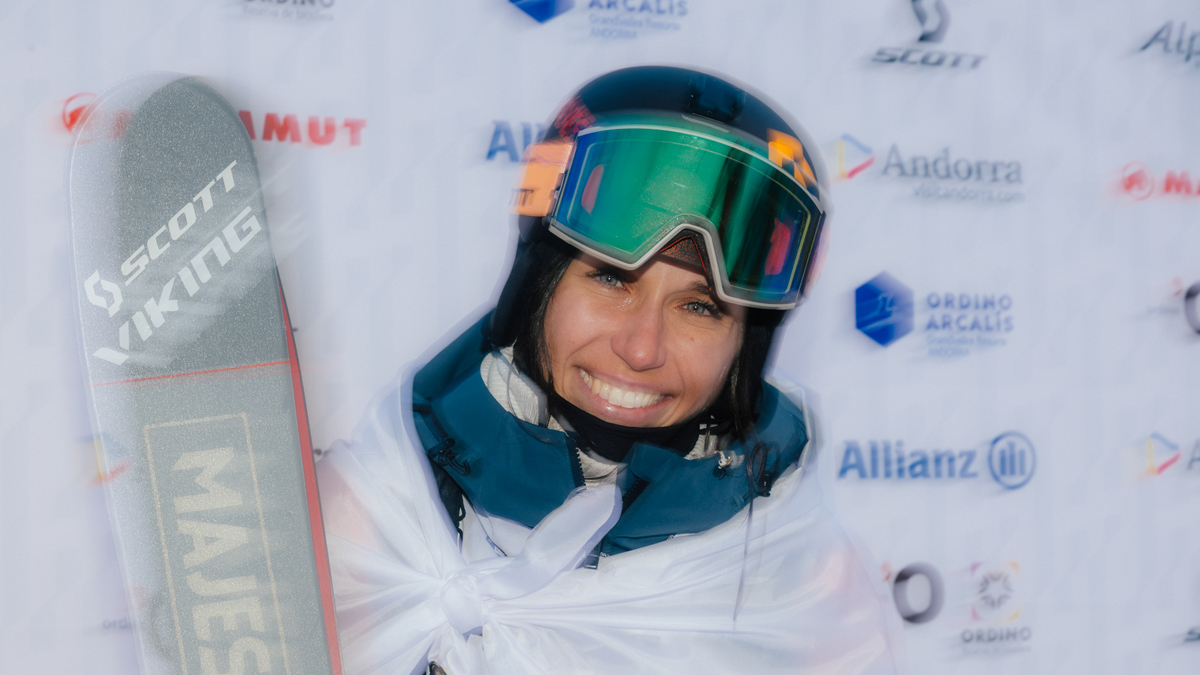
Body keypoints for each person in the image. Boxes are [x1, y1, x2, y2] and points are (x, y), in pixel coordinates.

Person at [316, 66, 901, 675]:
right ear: (539, 280)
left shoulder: (799, 573)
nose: (642, 348)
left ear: (743, 346)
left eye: (699, 307)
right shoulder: (375, 507)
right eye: (612, 279)